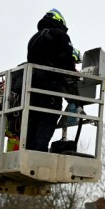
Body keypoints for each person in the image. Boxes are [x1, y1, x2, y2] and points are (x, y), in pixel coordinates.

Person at [25, 8, 77, 152]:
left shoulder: (33, 38)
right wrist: (73, 72)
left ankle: (28, 151)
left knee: (34, 118)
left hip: (33, 87)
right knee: (49, 117)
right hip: (51, 87)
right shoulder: (60, 35)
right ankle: (40, 151)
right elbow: (67, 58)